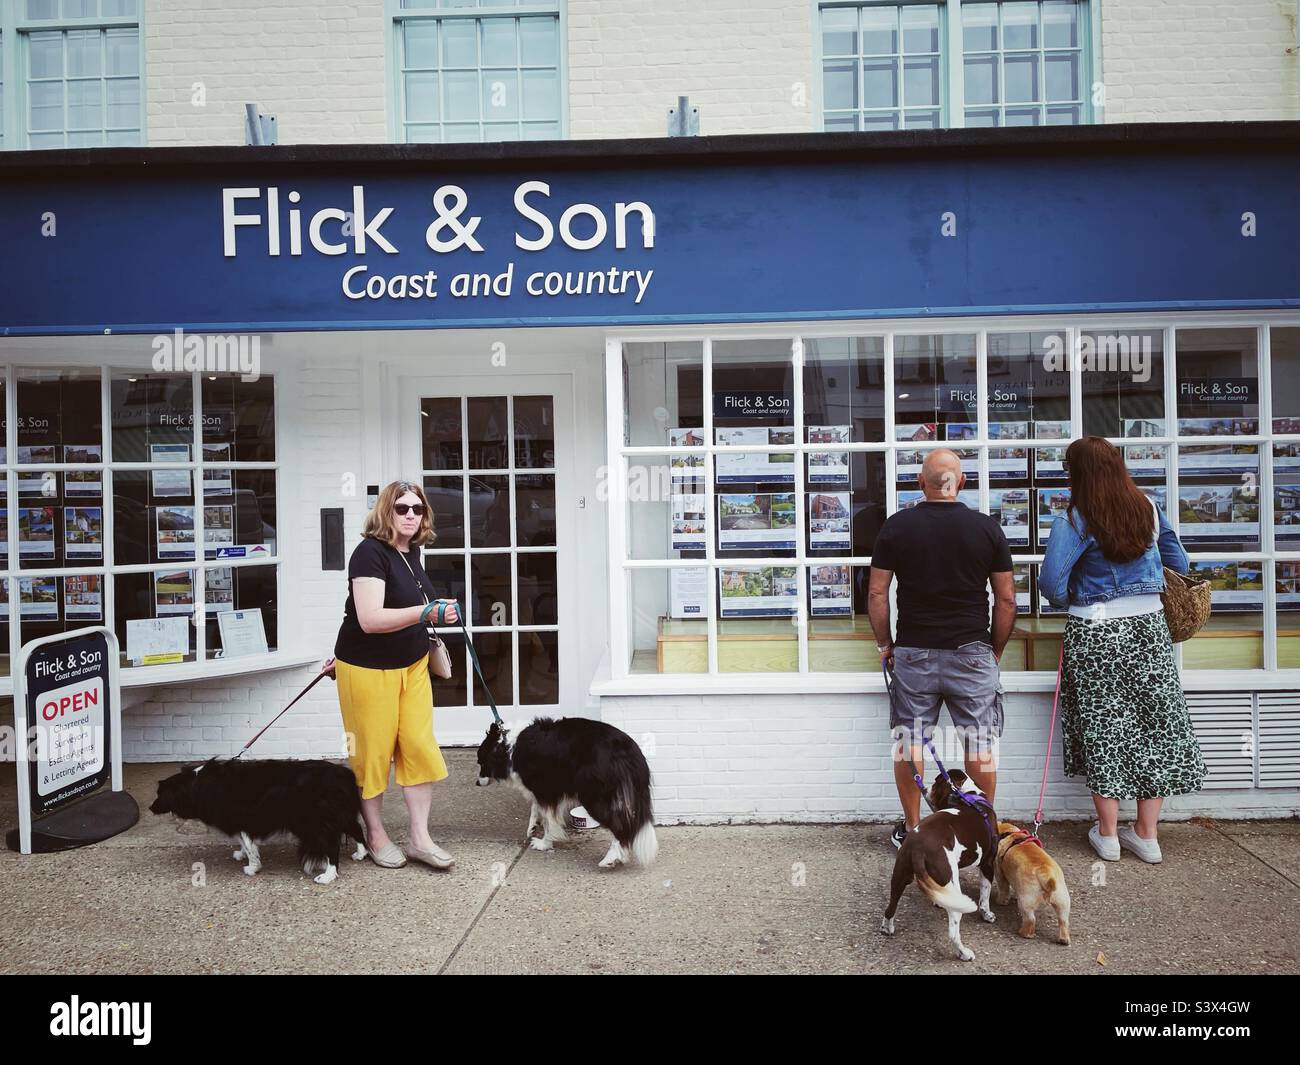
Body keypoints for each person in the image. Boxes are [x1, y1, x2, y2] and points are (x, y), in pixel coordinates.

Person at [1040, 436, 1205, 864]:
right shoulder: (1147, 508)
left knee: (1104, 724)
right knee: (1156, 721)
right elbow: (1180, 564)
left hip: (1094, 632)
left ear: (1076, 475)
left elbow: (1052, 586)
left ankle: (1109, 836)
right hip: (1149, 627)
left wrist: (1077, 599)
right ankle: (1147, 835)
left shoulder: (1074, 520)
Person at [869, 448, 1017, 849]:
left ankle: (914, 828)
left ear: (920, 483)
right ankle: (981, 830)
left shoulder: (896, 528)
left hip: (914, 650)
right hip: (972, 649)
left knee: (909, 740)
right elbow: (1006, 600)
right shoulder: (986, 529)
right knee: (979, 741)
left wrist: (886, 644)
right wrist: (994, 651)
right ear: (961, 483)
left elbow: (878, 593)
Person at [330, 480, 460, 871]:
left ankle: (420, 839)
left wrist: (434, 612)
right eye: (401, 508)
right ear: (385, 511)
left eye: (416, 509)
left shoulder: (410, 551)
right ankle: (376, 836)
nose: (409, 515)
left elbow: (383, 608)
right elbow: (369, 619)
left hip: (412, 665)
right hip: (369, 670)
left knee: (419, 748)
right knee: (371, 755)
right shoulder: (369, 553)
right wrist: (426, 613)